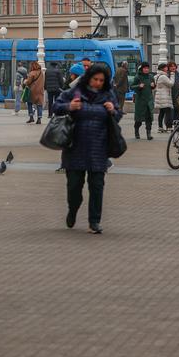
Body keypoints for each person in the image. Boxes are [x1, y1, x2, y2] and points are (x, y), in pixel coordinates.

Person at [54, 63, 121, 234]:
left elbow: (118, 114)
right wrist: (70, 106)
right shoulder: (76, 91)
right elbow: (56, 106)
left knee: (97, 186)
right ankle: (73, 209)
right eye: (95, 79)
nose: (98, 83)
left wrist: (113, 110)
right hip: (75, 147)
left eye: (101, 80)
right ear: (88, 78)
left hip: (99, 148)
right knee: (74, 187)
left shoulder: (108, 94)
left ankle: (94, 222)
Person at [132, 62, 155, 140]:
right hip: (140, 101)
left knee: (149, 119)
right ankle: (136, 131)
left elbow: (153, 86)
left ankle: (149, 134)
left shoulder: (151, 76)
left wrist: (153, 86)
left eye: (147, 68)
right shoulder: (137, 77)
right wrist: (139, 86)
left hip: (149, 101)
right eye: (145, 68)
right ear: (142, 69)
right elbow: (131, 86)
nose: (146, 70)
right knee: (139, 119)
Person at [154, 61, 175, 133]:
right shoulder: (163, 76)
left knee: (162, 112)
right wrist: (172, 75)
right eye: (166, 67)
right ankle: (169, 127)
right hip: (164, 96)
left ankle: (160, 127)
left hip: (159, 96)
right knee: (168, 112)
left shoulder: (156, 76)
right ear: (163, 68)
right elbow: (171, 84)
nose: (167, 68)